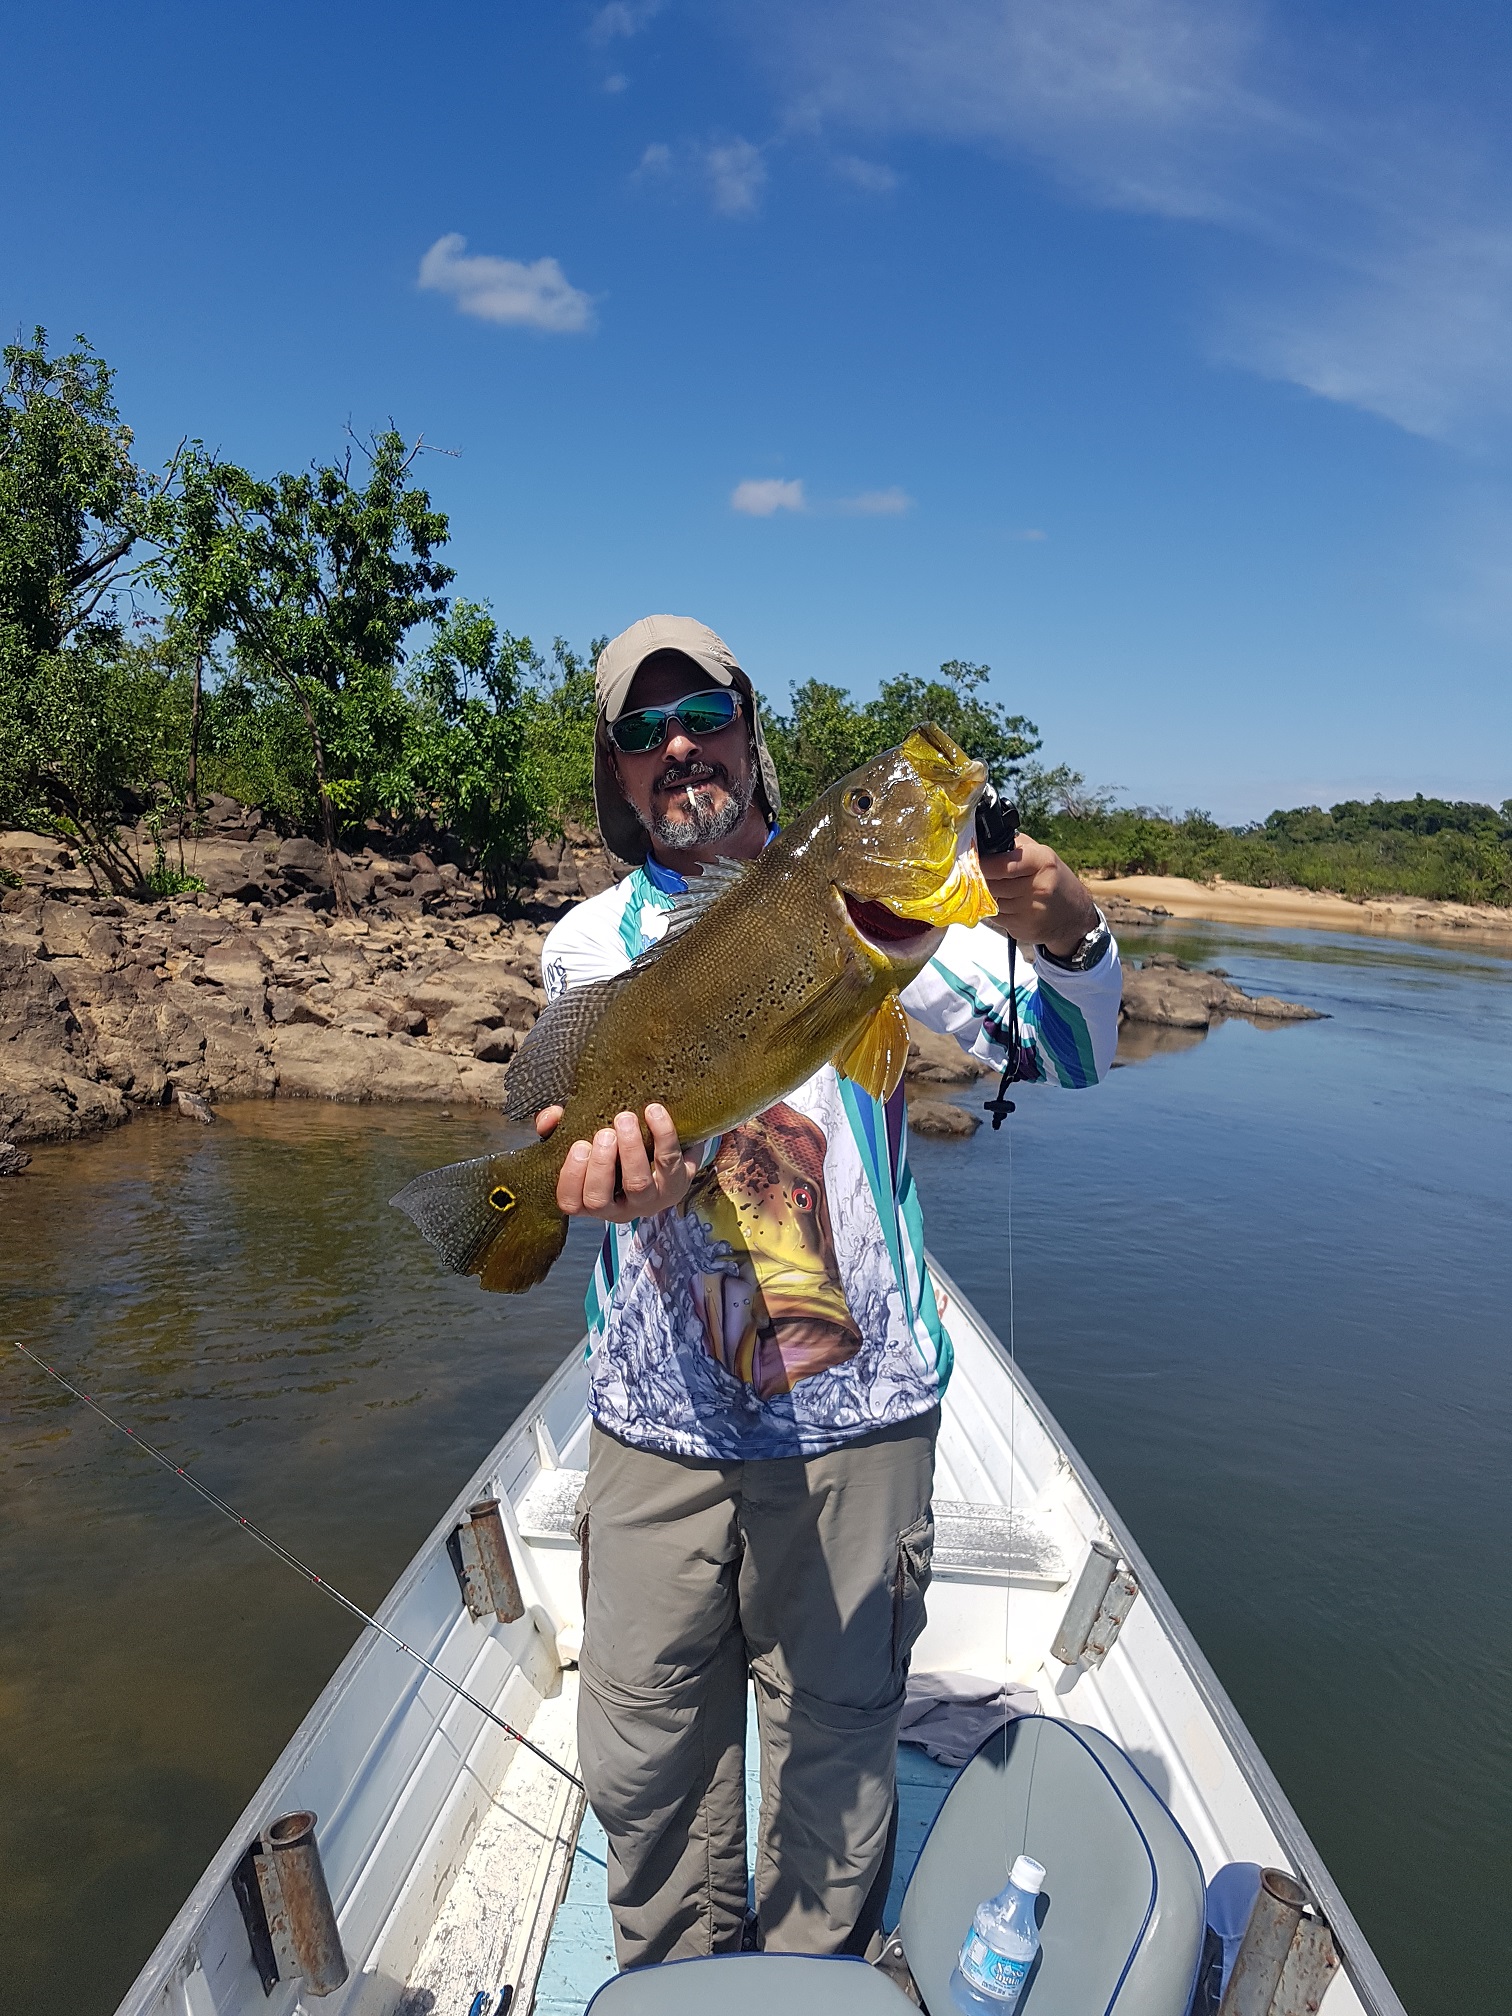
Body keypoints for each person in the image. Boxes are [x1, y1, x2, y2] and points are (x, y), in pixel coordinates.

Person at [534, 614, 1121, 1971]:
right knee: (652, 1760)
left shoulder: (907, 917)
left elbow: (1079, 1050)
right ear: (619, 779)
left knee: (839, 1757)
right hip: (655, 1428)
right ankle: (675, 1992)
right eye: (641, 731)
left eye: (704, 716)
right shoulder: (585, 949)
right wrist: (600, 1187)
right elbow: (584, 1129)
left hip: (860, 1433)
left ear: (751, 734)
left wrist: (1068, 923)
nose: (678, 747)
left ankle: (806, 1990)